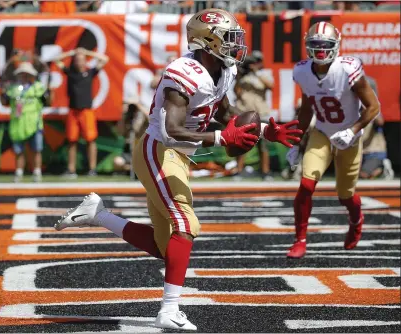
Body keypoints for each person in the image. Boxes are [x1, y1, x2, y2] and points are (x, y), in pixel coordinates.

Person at [54, 8, 302, 331]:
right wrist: (218, 137)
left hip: (179, 157)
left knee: (166, 246)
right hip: (158, 150)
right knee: (186, 222)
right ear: (207, 41)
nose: (234, 44)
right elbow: (171, 129)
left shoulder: (223, 69)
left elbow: (225, 112)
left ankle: (98, 214)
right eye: (228, 38)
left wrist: (267, 131)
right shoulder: (183, 72)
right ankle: (168, 310)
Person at [285, 22, 381, 258]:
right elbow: (306, 109)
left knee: (345, 194)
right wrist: (297, 141)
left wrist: (354, 129)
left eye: (325, 45)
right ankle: (300, 240)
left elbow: (373, 107)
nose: (320, 50)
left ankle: (356, 219)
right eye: (315, 44)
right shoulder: (302, 71)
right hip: (322, 132)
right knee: (306, 184)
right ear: (308, 46)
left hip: (350, 136)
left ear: (335, 46)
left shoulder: (348, 69)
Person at [54, 47, 109, 178]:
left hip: (86, 111)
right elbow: (56, 60)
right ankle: (71, 169)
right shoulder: (70, 72)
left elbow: (105, 59)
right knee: (72, 141)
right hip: (73, 111)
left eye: (82, 60)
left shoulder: (90, 72)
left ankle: (92, 169)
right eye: (77, 60)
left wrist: (86, 52)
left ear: (85, 61)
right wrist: (72, 52)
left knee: (91, 140)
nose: (79, 62)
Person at [0, 62, 52, 182]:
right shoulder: (13, 89)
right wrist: (3, 92)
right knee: (19, 151)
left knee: (36, 150)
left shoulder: (38, 87)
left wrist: (49, 89)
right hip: (18, 124)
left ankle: (37, 172)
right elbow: (4, 102)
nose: (24, 76)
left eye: (26, 74)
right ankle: (19, 173)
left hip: (35, 124)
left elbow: (48, 101)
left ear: (31, 75)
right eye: (22, 74)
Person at [234, 51, 274, 180]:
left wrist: (256, 72)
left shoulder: (264, 73)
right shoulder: (243, 75)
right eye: (253, 62)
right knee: (241, 143)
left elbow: (270, 86)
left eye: (257, 61)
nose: (254, 64)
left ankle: (265, 172)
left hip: (260, 113)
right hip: (244, 112)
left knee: (263, 145)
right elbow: (236, 91)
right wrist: (241, 75)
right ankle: (239, 172)